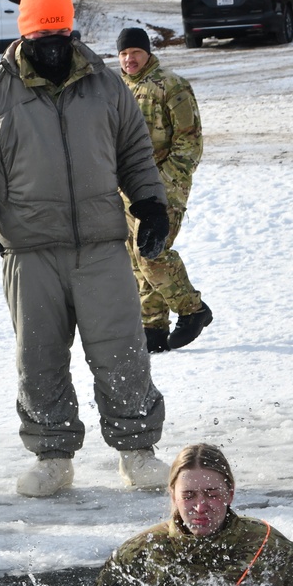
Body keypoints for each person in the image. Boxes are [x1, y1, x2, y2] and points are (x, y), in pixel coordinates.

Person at [0, 0, 172, 498]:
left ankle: (137, 450)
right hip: (29, 250)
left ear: (71, 31)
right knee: (39, 355)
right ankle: (51, 455)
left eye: (59, 35)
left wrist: (151, 206)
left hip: (100, 244)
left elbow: (136, 150)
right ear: (23, 35)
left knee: (122, 349)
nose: (51, 46)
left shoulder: (105, 86)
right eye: (40, 37)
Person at [94, 444, 293, 586]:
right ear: (173, 496)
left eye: (212, 495)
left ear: (230, 494)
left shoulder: (269, 547)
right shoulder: (138, 553)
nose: (200, 507)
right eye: (189, 495)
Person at [117, 27, 212, 353]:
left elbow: (190, 142)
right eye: (124, 53)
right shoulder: (116, 89)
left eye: (136, 52)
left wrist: (165, 185)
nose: (130, 59)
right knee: (135, 260)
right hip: (127, 191)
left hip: (163, 189)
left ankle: (192, 309)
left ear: (148, 53)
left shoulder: (171, 85)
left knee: (151, 254)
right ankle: (153, 329)